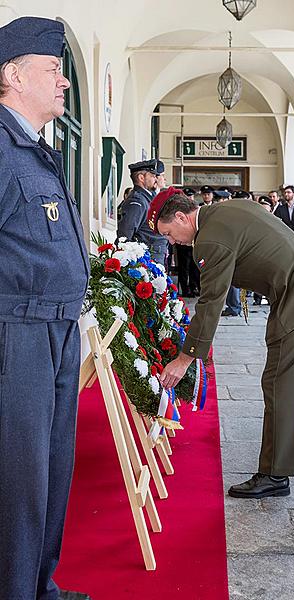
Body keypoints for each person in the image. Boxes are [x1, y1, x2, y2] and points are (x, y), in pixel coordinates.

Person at [147, 188, 294, 499]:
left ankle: (274, 473)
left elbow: (211, 301)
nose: (173, 241)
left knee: (278, 381)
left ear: (180, 217)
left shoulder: (210, 238)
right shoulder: (232, 208)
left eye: (169, 233)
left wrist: (186, 358)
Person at [0, 17, 91, 600]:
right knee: (21, 480)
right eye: (53, 70)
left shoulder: (35, 150)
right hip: (20, 332)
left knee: (54, 472)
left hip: (56, 329)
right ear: (12, 75)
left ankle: (40, 586)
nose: (63, 82)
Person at [117, 159, 168, 264]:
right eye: (152, 176)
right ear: (141, 178)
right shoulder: (137, 201)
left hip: (154, 255)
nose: (155, 179)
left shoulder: (148, 197)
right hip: (146, 259)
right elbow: (125, 235)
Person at [175, 187, 200, 296]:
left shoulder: (196, 209)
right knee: (183, 266)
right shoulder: (177, 209)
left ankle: (194, 286)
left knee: (194, 267)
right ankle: (185, 289)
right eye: (187, 196)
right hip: (182, 242)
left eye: (191, 196)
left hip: (194, 242)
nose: (189, 198)